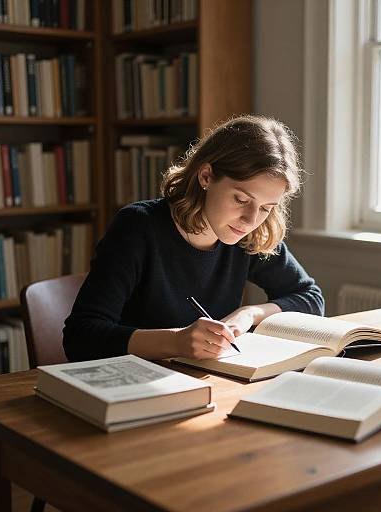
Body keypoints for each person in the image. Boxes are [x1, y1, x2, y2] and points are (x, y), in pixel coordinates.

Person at [63, 115, 324, 362]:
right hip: (135, 387)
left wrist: (249, 314)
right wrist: (175, 341)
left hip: (205, 382)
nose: (250, 219)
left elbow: (310, 298)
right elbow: (80, 337)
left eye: (267, 208)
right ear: (206, 176)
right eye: (241, 199)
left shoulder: (250, 234)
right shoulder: (138, 226)